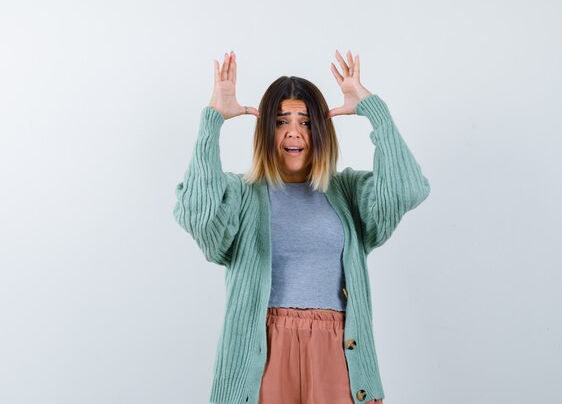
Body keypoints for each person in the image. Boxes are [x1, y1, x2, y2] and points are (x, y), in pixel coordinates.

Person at [173, 50, 431, 404]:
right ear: (267, 131)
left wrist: (376, 112)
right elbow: (197, 215)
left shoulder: (348, 192)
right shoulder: (241, 195)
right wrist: (212, 121)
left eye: (306, 122)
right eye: (281, 121)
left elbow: (408, 189)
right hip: (262, 353)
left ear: (321, 131)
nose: (294, 131)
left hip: (338, 351)